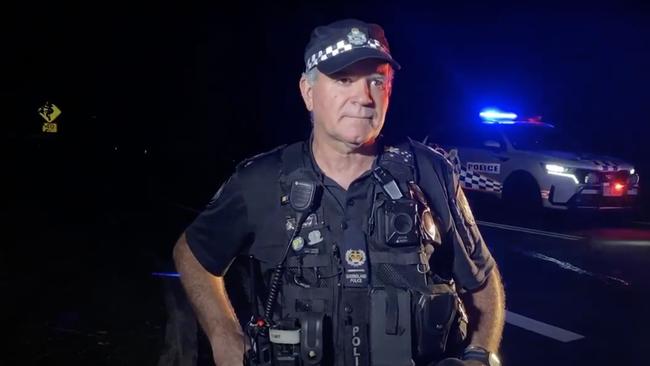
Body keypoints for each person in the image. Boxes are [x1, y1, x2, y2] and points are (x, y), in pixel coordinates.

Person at [173, 18, 506, 366]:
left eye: (376, 80)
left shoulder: (431, 173)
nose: (363, 97)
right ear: (308, 91)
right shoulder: (261, 180)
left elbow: (482, 280)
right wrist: (224, 335)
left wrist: (482, 354)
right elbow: (192, 254)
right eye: (344, 79)